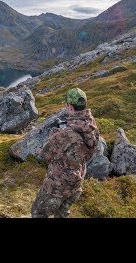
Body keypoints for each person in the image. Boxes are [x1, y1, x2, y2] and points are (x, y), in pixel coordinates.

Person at [31, 87, 100, 218]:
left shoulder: (65, 134)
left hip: (57, 185)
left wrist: (54, 133)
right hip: (76, 183)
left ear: (69, 106)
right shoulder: (92, 126)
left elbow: (45, 155)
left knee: (38, 213)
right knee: (62, 214)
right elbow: (90, 154)